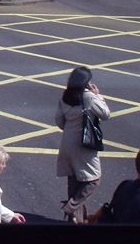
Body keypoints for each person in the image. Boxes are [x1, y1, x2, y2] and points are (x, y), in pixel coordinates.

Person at [56, 66, 111, 223]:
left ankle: (76, 220)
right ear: (86, 82)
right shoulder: (89, 97)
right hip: (83, 144)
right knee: (93, 180)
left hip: (67, 142)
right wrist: (98, 95)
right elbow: (106, 114)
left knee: (74, 180)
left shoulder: (65, 96)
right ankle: (71, 207)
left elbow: (59, 121)